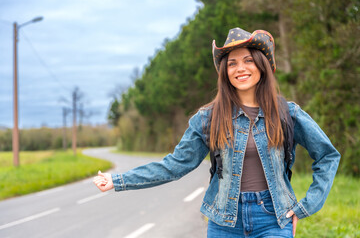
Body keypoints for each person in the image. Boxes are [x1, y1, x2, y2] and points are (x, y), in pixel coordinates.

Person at [93, 27, 340, 237]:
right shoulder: (208, 118)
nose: (239, 68)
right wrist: (118, 181)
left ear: (262, 65)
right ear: (225, 72)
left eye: (248, 60)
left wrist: (307, 206)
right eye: (232, 63)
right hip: (223, 222)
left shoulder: (288, 113)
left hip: (274, 218)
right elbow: (175, 165)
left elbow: (328, 155)